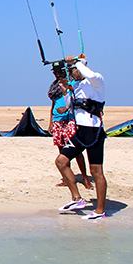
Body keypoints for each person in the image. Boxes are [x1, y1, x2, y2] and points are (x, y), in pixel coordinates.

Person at [54, 55, 108, 219]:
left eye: (73, 70)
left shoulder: (97, 80)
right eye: (70, 70)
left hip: (94, 132)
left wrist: (76, 61)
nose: (72, 73)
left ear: (81, 67)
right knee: (61, 161)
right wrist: (65, 92)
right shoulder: (76, 86)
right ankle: (77, 199)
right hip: (79, 131)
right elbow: (70, 105)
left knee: (96, 171)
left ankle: (100, 211)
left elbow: (89, 74)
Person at [48, 71, 91, 188]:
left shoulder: (72, 84)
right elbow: (53, 105)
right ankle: (67, 178)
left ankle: (85, 178)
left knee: (76, 151)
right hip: (57, 120)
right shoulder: (54, 87)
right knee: (62, 151)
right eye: (55, 73)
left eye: (59, 73)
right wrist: (51, 122)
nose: (57, 75)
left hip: (70, 120)